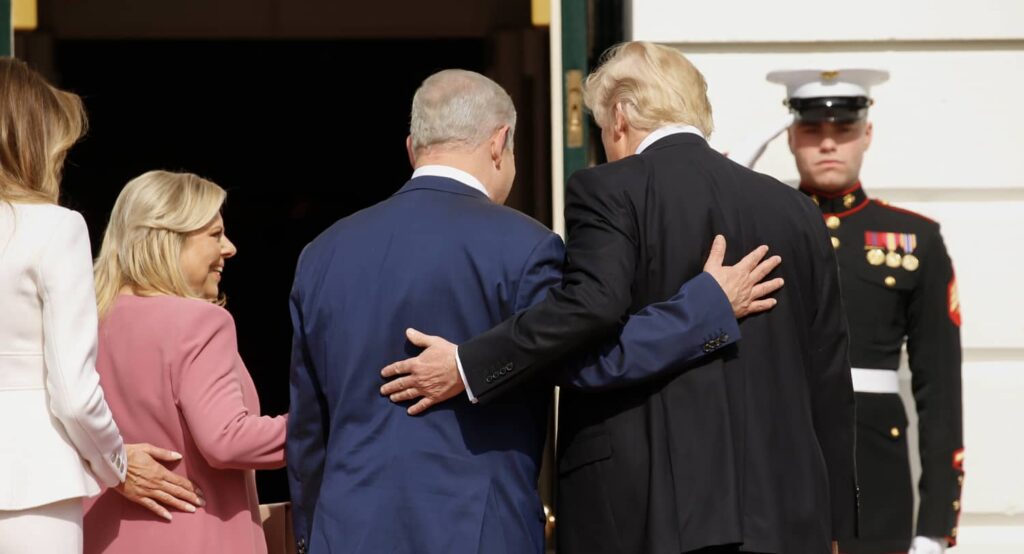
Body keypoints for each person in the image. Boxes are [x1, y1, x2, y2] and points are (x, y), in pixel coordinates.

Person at [383, 44, 858, 554]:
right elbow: (828, 374)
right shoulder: (797, 210)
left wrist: (468, 364)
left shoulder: (608, 189)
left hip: (652, 515)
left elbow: (587, 319)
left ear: (621, 116)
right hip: (791, 517)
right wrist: (836, 526)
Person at [288, 69, 784, 554]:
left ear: (413, 147)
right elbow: (593, 359)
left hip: (345, 529)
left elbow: (308, 429)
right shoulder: (524, 246)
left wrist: (313, 532)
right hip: (479, 531)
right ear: (500, 142)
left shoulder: (323, 253)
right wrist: (705, 307)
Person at [753, 68, 964, 554]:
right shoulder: (759, 224)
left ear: (867, 134)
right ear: (790, 137)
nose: (828, 144)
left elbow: (940, 387)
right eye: (812, 130)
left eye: (843, 129)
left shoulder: (915, 240)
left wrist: (934, 526)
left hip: (875, 475)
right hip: (775, 463)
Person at [0, 58, 205, 553]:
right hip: (32, 486)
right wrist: (116, 463)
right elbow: (72, 391)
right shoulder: (54, 227)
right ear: (36, 144)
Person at [83, 171, 287, 554]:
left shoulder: (83, 322)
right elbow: (227, 439)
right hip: (199, 536)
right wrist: (324, 426)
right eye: (214, 234)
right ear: (168, 239)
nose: (230, 248)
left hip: (99, 538)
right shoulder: (201, 322)